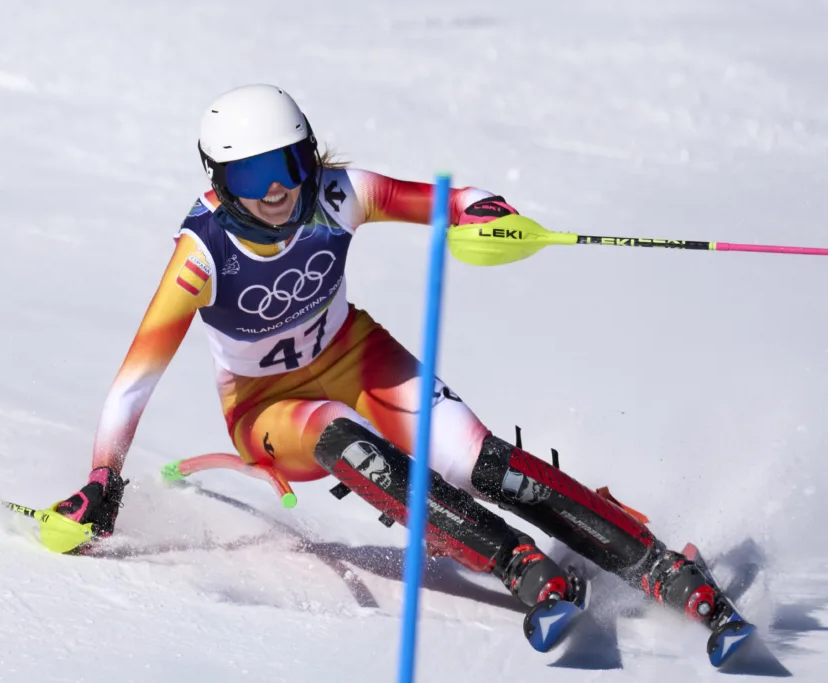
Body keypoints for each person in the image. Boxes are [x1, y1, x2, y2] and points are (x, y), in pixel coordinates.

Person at [55, 84, 721, 618]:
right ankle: (515, 561)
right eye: (251, 175)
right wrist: (102, 476)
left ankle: (657, 564)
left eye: (288, 165)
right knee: (344, 440)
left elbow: (447, 201)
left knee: (479, 461)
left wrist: (483, 210)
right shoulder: (200, 257)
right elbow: (135, 379)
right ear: (220, 180)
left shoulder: (338, 193)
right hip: (266, 405)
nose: (276, 189)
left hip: (354, 354)